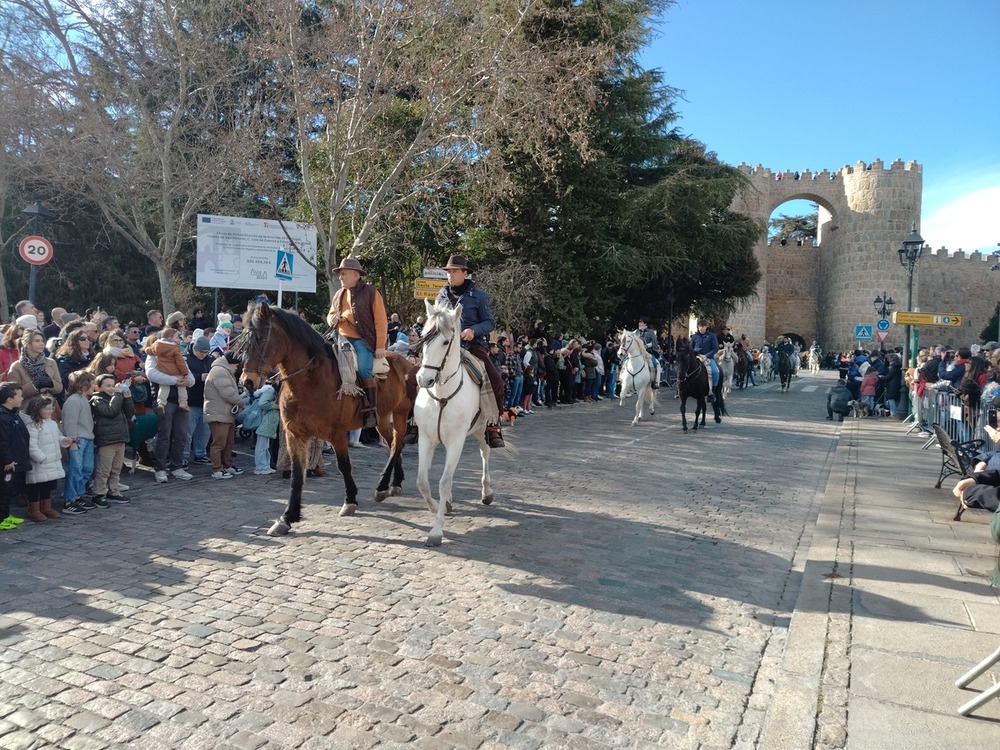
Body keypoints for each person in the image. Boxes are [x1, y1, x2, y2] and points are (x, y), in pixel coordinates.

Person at [405, 255, 505, 448]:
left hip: (471, 346)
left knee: (496, 380)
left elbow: (490, 322)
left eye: (455, 271)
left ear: (465, 273)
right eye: (448, 272)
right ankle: (414, 422)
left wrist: (473, 330)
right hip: (442, 347)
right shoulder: (441, 294)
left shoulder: (479, 296)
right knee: (411, 378)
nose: (450, 275)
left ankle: (493, 426)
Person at [325, 256, 387, 430]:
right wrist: (333, 319)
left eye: (344, 274)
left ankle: (370, 410)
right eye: (340, 274)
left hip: (363, 340)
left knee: (364, 368)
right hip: (340, 338)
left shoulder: (371, 292)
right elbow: (330, 315)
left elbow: (381, 321)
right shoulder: (339, 294)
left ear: (355, 275)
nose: (341, 277)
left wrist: (380, 346)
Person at [23, 395, 72, 521]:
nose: (51, 411)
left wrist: (63, 440)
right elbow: (31, 446)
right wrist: (41, 458)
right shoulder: (33, 426)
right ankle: (34, 509)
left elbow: (57, 437)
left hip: (51, 461)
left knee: (47, 485)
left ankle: (46, 507)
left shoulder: (52, 423)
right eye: (47, 409)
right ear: (37, 409)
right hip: (40, 463)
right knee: (35, 486)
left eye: (51, 408)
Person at [204, 352, 244, 480]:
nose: (237, 367)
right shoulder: (220, 371)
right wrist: (241, 402)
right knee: (219, 443)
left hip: (225, 413)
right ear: (232, 363)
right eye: (237, 365)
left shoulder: (224, 371)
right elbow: (228, 393)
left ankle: (227, 465)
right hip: (218, 414)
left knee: (228, 442)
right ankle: (217, 468)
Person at [61, 371, 97, 515]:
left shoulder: (84, 399)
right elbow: (70, 423)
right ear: (83, 385)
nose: (94, 385)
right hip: (78, 440)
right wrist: (73, 441)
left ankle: (78, 494)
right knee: (75, 470)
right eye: (92, 382)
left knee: (87, 468)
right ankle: (69, 500)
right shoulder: (73, 401)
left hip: (87, 439)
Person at [0, 382, 30, 531]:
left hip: (15, 460)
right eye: (19, 395)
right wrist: (7, 460)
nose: (22, 398)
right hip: (7, 463)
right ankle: (2, 518)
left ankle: (5, 514)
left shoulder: (12, 414)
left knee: (9, 489)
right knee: (4, 490)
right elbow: (2, 441)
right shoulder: (2, 417)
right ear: (9, 399)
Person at [183, 336, 214, 466]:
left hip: (206, 401)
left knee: (204, 431)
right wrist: (198, 377)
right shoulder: (186, 360)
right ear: (194, 349)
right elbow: (183, 377)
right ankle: (183, 455)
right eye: (201, 352)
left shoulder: (211, 360)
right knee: (187, 432)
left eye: (206, 352)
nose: (203, 355)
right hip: (191, 400)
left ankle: (200, 454)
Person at [147, 328, 190, 413]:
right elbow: (181, 363)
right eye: (177, 337)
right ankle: (183, 403)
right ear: (170, 338)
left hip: (163, 370)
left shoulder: (155, 346)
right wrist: (185, 374)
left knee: (164, 387)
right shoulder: (175, 349)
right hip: (175, 372)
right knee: (181, 386)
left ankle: (161, 403)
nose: (178, 340)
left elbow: (148, 350)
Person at [252, 383, 279, 475]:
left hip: (268, 422)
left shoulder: (270, 391)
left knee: (265, 446)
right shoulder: (270, 391)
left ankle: (265, 465)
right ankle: (261, 467)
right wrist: (275, 405)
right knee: (262, 446)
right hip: (266, 422)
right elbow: (262, 404)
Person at [690, 319, 720, 397]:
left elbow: (715, 348)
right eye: (699, 326)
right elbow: (691, 348)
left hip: (708, 358)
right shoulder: (694, 336)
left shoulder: (712, 336)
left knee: (715, 371)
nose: (701, 328)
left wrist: (706, 355)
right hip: (696, 357)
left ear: (706, 327)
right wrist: (695, 355)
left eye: (703, 326)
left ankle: (712, 390)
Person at [635, 317, 661, 388]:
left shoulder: (650, 332)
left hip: (647, 352)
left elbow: (654, 343)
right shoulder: (636, 332)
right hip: (637, 352)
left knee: (655, 364)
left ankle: (654, 381)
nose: (639, 323)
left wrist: (646, 346)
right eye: (639, 322)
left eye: (641, 322)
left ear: (645, 323)